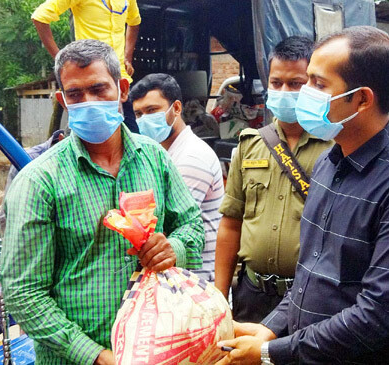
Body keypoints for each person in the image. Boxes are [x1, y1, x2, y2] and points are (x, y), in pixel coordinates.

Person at [0, 39, 204, 365]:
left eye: (99, 89)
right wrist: (95, 356)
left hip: (158, 349)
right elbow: (22, 292)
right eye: (75, 94)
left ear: (122, 89)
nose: (88, 102)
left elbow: (192, 225)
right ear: (62, 101)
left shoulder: (155, 159)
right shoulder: (39, 181)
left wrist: (173, 248)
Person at [217, 26, 389, 364]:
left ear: (363, 99)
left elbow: (376, 314)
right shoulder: (330, 161)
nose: (304, 94)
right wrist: (271, 327)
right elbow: (310, 271)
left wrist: (270, 352)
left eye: (318, 85)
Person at [214, 36, 333, 322]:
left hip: (311, 296)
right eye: (276, 83)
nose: (283, 91)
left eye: (295, 84)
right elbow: (231, 223)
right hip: (252, 293)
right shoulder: (250, 144)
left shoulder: (335, 147)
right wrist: (219, 298)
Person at [130, 73, 224, 282]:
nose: (144, 120)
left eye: (152, 110)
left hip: (196, 283)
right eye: (138, 114)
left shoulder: (191, 157)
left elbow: (170, 224)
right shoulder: (162, 155)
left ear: (177, 109)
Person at [32, 0, 141, 133]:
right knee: (84, 136)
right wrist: (61, 60)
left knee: (132, 137)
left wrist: (127, 57)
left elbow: (134, 22)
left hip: (117, 80)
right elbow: (40, 17)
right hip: (88, 80)